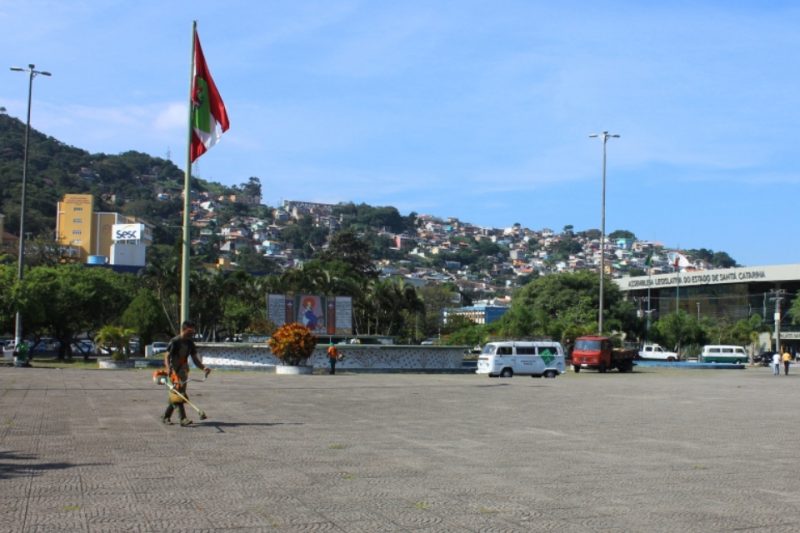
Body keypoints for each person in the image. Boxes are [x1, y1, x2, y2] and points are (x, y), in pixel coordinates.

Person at [162, 321, 210, 426]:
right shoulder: (175, 341)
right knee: (179, 395)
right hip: (173, 372)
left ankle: (165, 416)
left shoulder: (190, 343)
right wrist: (168, 369)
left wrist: (204, 368)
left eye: (193, 331)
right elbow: (167, 356)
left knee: (178, 395)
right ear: (184, 329)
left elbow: (195, 359)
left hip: (183, 372)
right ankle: (183, 419)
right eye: (190, 331)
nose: (192, 333)